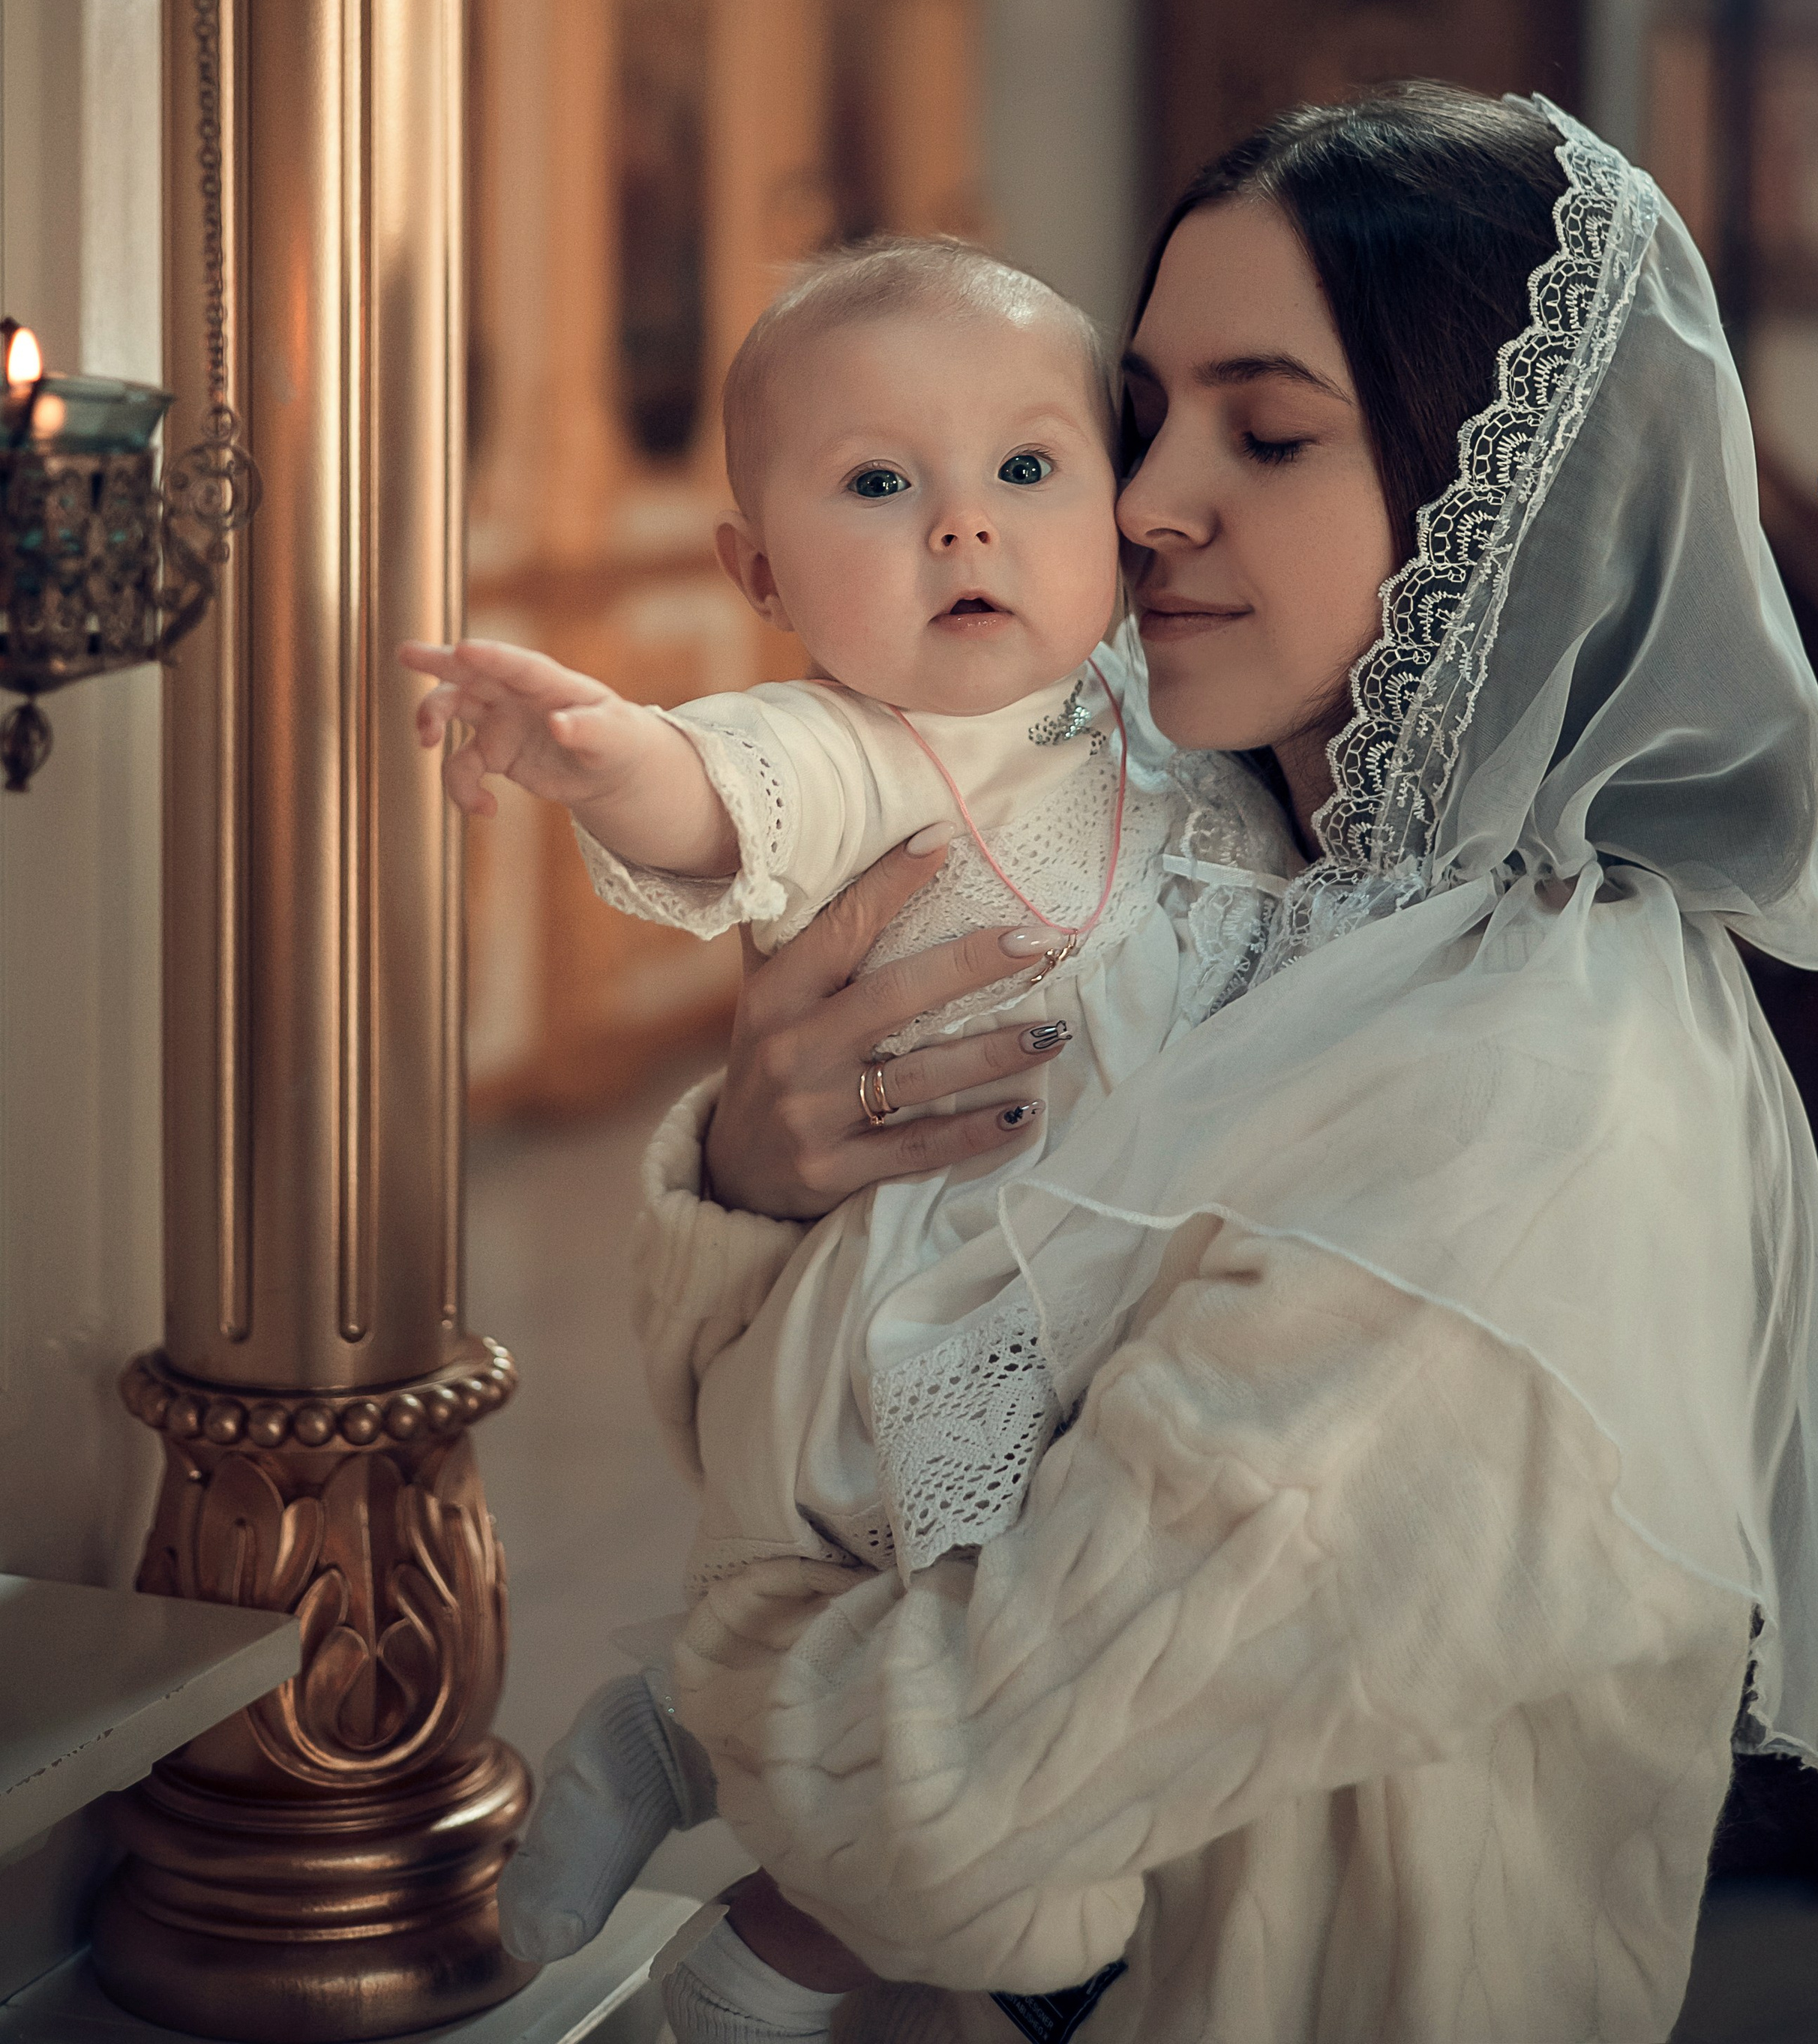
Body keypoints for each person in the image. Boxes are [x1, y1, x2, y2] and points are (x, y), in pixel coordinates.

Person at [610, 87, 1818, 2044]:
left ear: (1486, 497)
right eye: (1139, 421)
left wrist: (702, 1693)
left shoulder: (1531, 1101)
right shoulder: (1197, 870)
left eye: (1267, 434)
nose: (1144, 500)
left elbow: (925, 1809)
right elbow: (911, 1411)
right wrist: (769, 1191)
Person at [400, 238, 1288, 2019]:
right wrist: (604, 751)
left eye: (1025, 471)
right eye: (880, 486)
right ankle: (758, 1952)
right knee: (961, 1704)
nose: (964, 528)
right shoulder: (870, 742)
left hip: (1102, 1304)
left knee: (925, 1678)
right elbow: (723, 798)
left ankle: (669, 1734)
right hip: (937, 1313)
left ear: (1116, 508)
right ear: (762, 572)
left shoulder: (1165, 726)